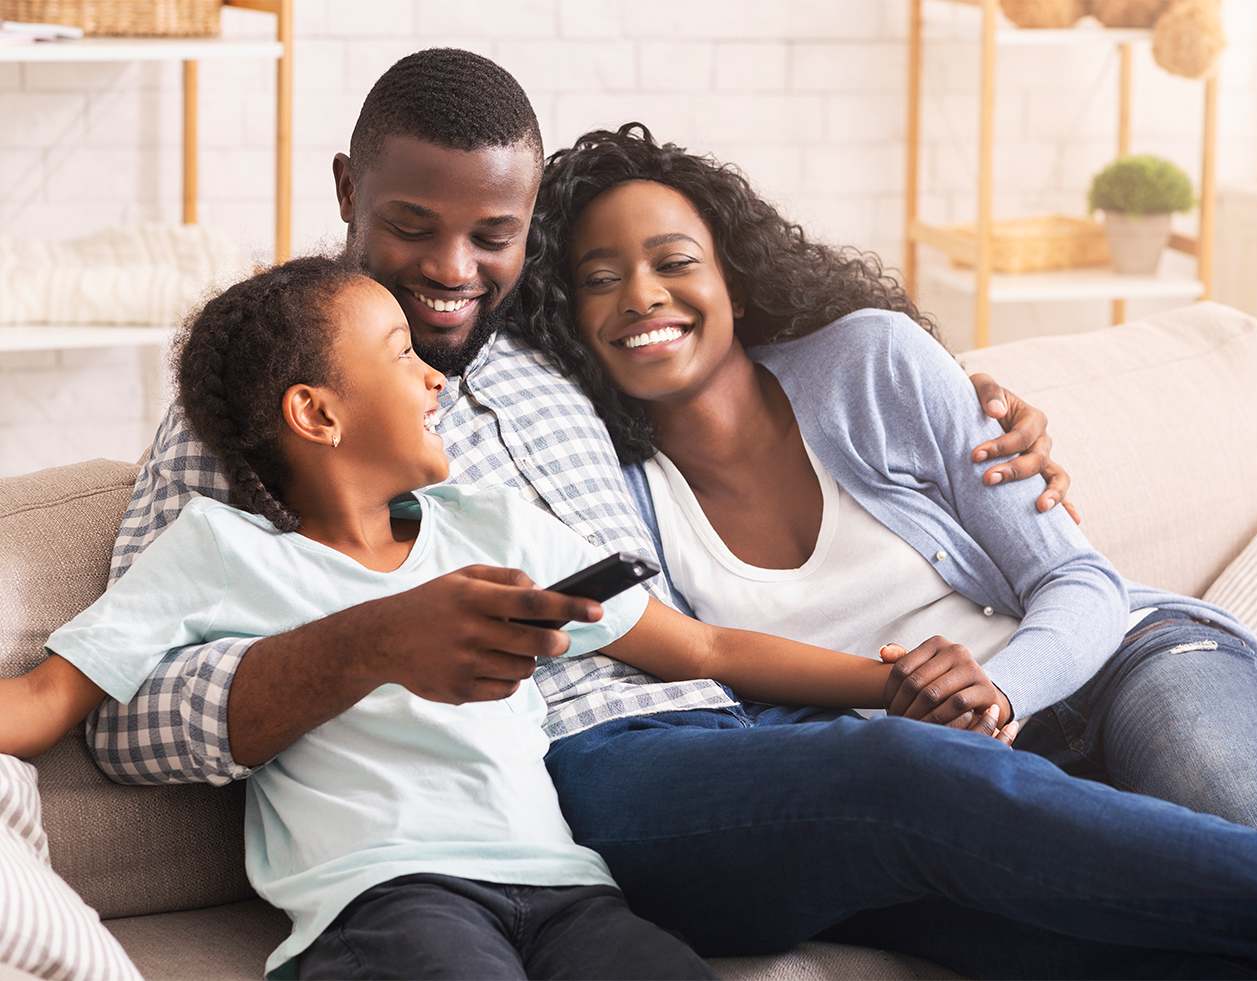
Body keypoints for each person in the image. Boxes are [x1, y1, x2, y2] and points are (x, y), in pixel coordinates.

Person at [79, 49, 1257, 979]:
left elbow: (735, 348)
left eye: (492, 236)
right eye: (409, 227)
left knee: (1065, 933)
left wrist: (981, 398)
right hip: (570, 793)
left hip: (744, 742)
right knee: (912, 772)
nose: (449, 272)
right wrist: (369, 640)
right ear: (343, 191)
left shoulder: (566, 374)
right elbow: (125, 720)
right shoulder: (256, 408)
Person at [4, 256, 976, 978]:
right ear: (317, 415)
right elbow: (49, 700)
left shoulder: (489, 525)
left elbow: (704, 646)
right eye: (399, 355)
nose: (436, 378)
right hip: (386, 899)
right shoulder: (220, 552)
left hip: (568, 889)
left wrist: (888, 681)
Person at [516, 123, 1257, 842]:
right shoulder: (618, 491)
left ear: (730, 272)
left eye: (674, 261)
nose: (643, 295)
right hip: (934, 775)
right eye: (598, 278)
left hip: (1121, 670)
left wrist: (996, 694)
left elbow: (1079, 578)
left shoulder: (872, 364)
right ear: (565, 311)